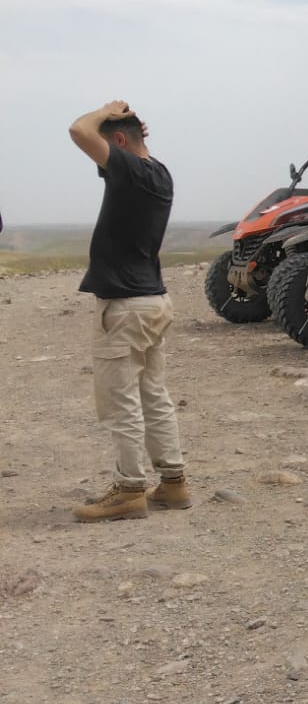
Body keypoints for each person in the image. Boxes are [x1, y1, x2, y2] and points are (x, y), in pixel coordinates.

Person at [67, 99, 187, 522]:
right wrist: (121, 128)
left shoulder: (132, 172)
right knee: (153, 395)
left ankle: (130, 490)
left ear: (118, 141)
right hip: (151, 301)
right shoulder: (157, 173)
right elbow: (108, 143)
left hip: (125, 307)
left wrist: (101, 111)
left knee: (122, 403)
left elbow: (79, 131)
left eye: (111, 145)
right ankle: (173, 482)